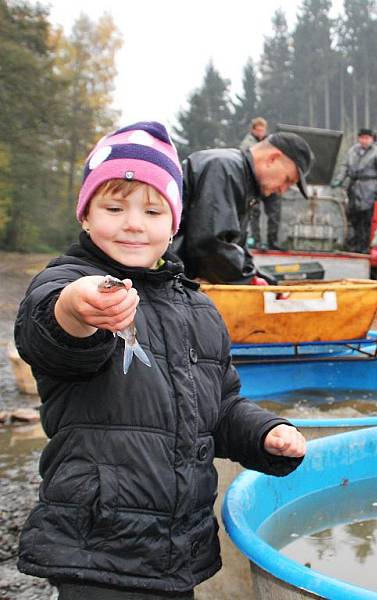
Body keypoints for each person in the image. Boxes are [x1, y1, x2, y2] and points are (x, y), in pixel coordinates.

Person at [13, 121, 307, 598]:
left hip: (177, 550)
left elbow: (222, 408)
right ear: (85, 215)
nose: (133, 223)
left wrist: (264, 432)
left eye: (152, 210)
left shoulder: (198, 307)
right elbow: (47, 335)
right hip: (97, 546)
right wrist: (76, 308)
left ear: (173, 225)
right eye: (113, 207)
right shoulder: (68, 281)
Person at [173, 131, 313, 284]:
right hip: (167, 276)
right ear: (273, 159)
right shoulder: (224, 169)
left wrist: (262, 279)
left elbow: (235, 246)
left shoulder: (243, 178)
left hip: (178, 274)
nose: (282, 190)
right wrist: (249, 280)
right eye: (287, 180)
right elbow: (209, 245)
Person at [331, 128, 377, 253]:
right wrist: (338, 180)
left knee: (366, 219)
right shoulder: (352, 150)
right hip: (353, 188)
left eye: (367, 138)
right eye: (362, 138)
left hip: (369, 188)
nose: (364, 140)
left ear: (372, 139)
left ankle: (364, 247)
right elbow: (345, 167)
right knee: (352, 217)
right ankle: (351, 244)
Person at [239, 117, 283, 251]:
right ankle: (255, 240)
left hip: (271, 182)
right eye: (258, 130)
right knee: (254, 213)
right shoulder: (247, 144)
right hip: (255, 183)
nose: (261, 132)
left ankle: (272, 241)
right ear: (253, 130)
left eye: (263, 130)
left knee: (274, 213)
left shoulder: (271, 141)